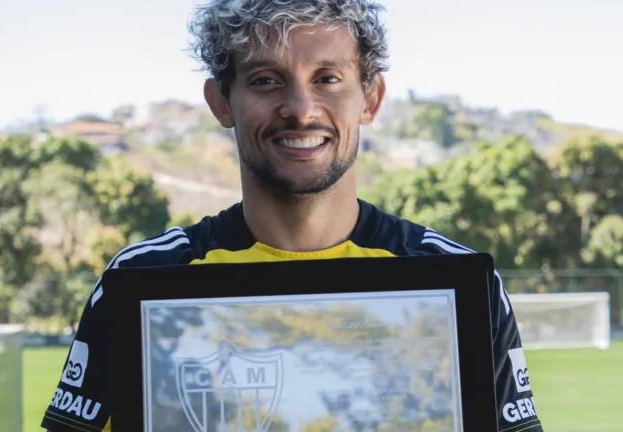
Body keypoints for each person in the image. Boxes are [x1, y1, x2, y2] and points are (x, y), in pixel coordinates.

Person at [41, 0, 543, 431]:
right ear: (221, 103)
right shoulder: (144, 279)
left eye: (328, 79)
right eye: (266, 81)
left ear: (370, 99)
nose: (301, 109)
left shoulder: (455, 282)